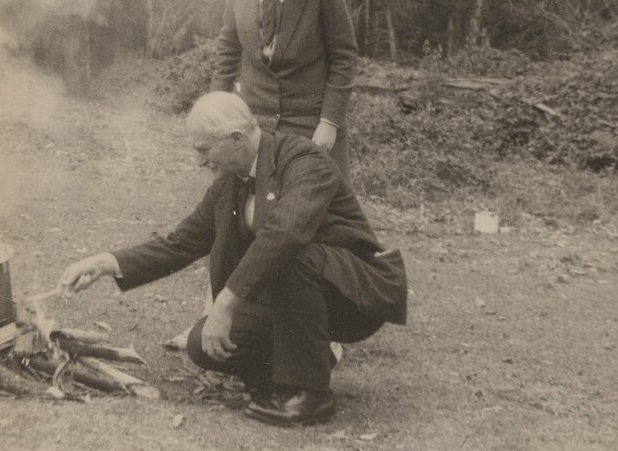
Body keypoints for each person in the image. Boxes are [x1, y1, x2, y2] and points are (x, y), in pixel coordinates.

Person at [59, 92, 407, 426]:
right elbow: (179, 244)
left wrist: (224, 304)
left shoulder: (304, 159)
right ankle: (288, 375)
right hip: (293, 298)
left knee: (293, 254)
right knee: (202, 345)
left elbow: (285, 234)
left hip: (352, 297)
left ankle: (312, 395)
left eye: (204, 150)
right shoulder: (228, 184)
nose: (199, 161)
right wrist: (105, 263)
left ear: (236, 138)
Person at [210, 0, 358, 179]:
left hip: (311, 125)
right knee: (245, 213)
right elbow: (229, 46)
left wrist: (329, 122)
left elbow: (344, 56)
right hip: (253, 124)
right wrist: (213, 108)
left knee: (319, 214)